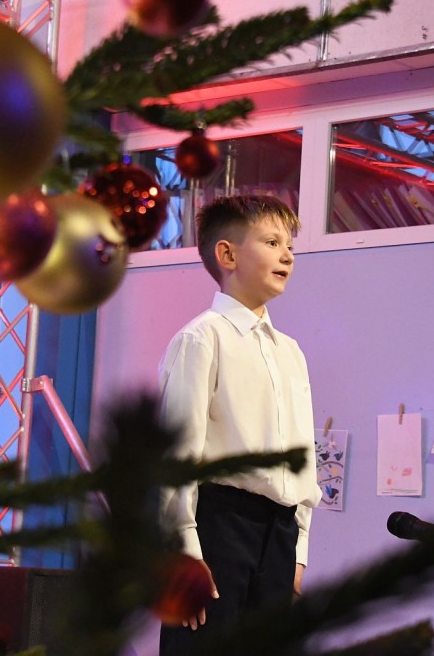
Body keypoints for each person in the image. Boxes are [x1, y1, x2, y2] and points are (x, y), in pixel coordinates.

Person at [157, 194, 321, 655]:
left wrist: (298, 549)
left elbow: (301, 455)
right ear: (227, 255)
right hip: (218, 525)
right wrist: (183, 551)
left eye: (290, 246)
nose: (287, 255)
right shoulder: (201, 338)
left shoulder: (290, 351)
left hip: (279, 533)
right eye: (272, 242)